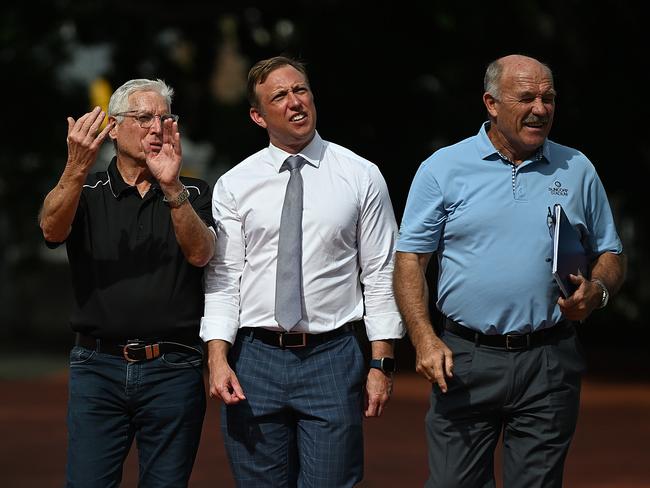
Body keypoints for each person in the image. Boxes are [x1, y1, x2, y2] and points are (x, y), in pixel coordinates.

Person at [393, 54, 626, 488]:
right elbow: (411, 258)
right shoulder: (443, 168)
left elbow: (611, 252)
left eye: (548, 98)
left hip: (550, 361)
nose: (541, 108)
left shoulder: (577, 168)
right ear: (492, 103)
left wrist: (598, 292)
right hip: (464, 359)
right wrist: (423, 338)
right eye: (527, 98)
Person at [201, 56, 404, 487]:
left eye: (301, 90)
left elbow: (381, 274)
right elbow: (223, 280)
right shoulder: (235, 184)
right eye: (280, 96)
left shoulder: (360, 175)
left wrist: (381, 363)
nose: (296, 102)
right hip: (254, 358)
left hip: (332, 357)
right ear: (258, 116)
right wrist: (217, 359)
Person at [39, 78, 216, 487]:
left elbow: (201, 253)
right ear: (113, 128)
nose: (156, 127)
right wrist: (75, 165)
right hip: (97, 367)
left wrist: (171, 186)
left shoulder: (193, 191)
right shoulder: (87, 190)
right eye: (144, 117)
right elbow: (51, 229)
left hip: (174, 368)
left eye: (164, 117)